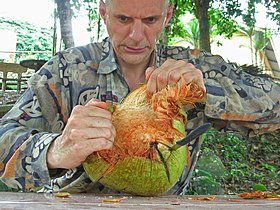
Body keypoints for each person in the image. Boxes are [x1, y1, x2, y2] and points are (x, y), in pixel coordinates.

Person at [1, 0, 280, 194]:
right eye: (123, 19)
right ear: (103, 11)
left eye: (150, 20)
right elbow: (4, 137)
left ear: (168, 15)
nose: (136, 35)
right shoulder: (64, 70)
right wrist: (54, 150)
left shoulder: (196, 67)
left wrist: (206, 90)